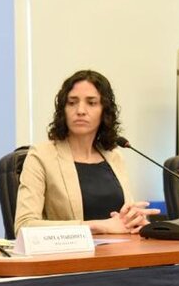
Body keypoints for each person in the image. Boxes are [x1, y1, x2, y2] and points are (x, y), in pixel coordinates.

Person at [14, 69, 158, 235]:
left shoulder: (114, 156)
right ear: (63, 109)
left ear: (104, 111)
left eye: (91, 103)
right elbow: (24, 226)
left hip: (120, 255)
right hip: (70, 258)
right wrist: (99, 226)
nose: (80, 110)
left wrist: (135, 221)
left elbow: (123, 219)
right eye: (72, 102)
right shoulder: (41, 156)